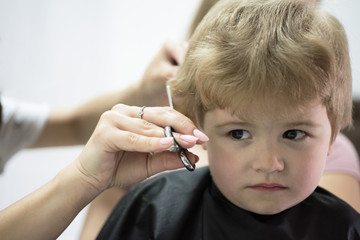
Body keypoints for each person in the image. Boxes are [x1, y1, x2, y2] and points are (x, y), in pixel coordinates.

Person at [95, 0, 360, 238]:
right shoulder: (152, 213)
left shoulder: (345, 228)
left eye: (292, 134)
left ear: (333, 136)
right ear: (198, 129)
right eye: (239, 134)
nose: (268, 164)